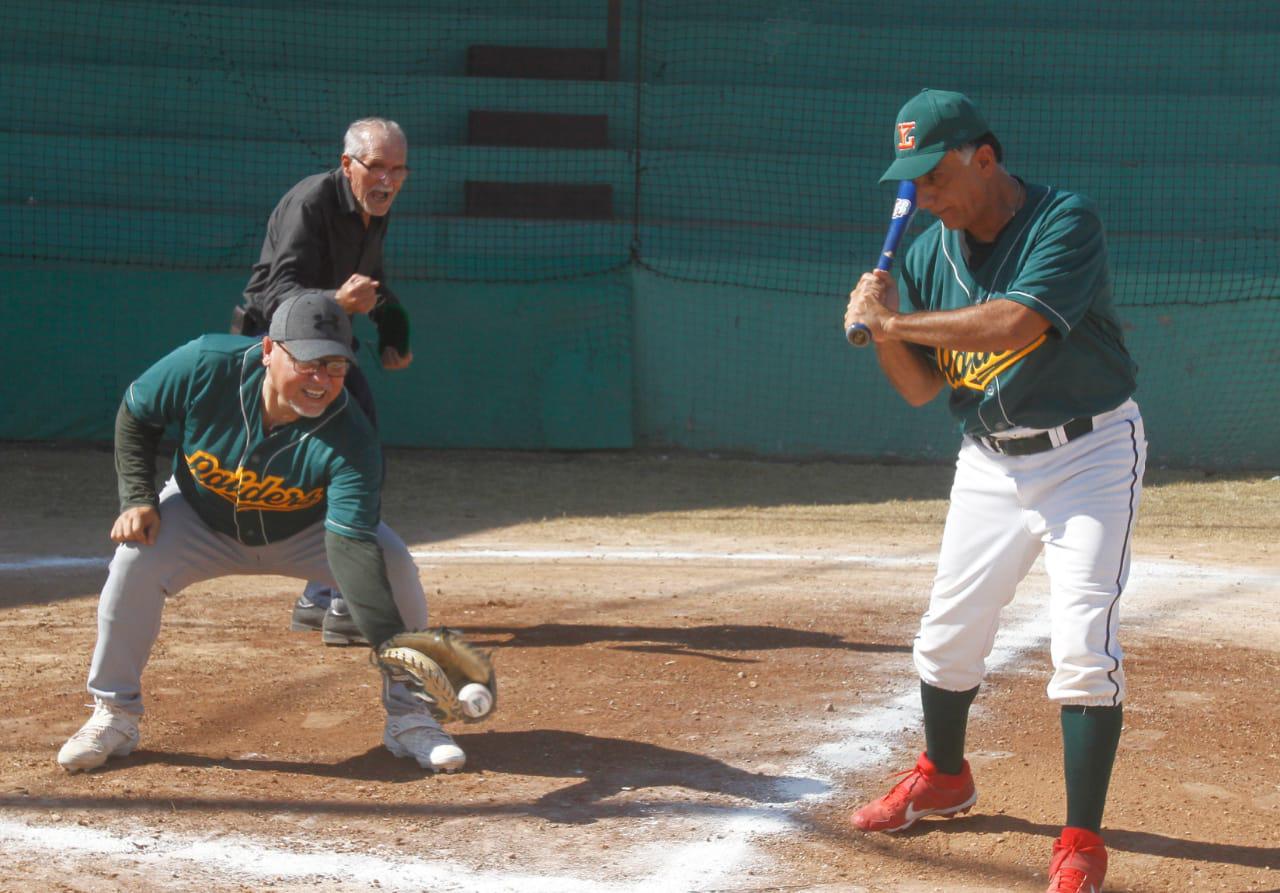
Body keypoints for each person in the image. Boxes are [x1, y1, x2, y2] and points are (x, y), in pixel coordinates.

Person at [842, 89, 1146, 893]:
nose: (924, 197)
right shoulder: (922, 252)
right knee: (946, 636)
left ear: (985, 157)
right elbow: (915, 390)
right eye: (912, 182)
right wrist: (881, 327)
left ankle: (1080, 839)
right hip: (988, 457)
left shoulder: (1063, 221)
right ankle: (944, 776)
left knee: (1083, 647)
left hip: (1088, 452)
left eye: (935, 176)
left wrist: (899, 323)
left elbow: (1014, 323)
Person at [58, 292, 465, 774]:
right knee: (134, 562)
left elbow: (351, 546)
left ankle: (410, 718)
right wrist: (138, 499)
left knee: (392, 564)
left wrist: (388, 636)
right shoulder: (205, 363)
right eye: (309, 363)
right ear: (269, 349)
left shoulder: (353, 437)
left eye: (335, 367)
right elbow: (137, 413)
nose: (321, 381)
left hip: (305, 530)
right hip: (198, 516)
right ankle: (115, 715)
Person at [232, 117, 414, 646]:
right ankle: (342, 597)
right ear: (347, 164)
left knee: (348, 461)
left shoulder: (373, 210)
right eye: (376, 166)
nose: (387, 180)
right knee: (352, 459)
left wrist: (392, 329)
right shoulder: (312, 203)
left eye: (398, 170)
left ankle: (322, 595)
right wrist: (338, 302)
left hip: (328, 347)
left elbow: (370, 285)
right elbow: (274, 296)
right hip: (275, 349)